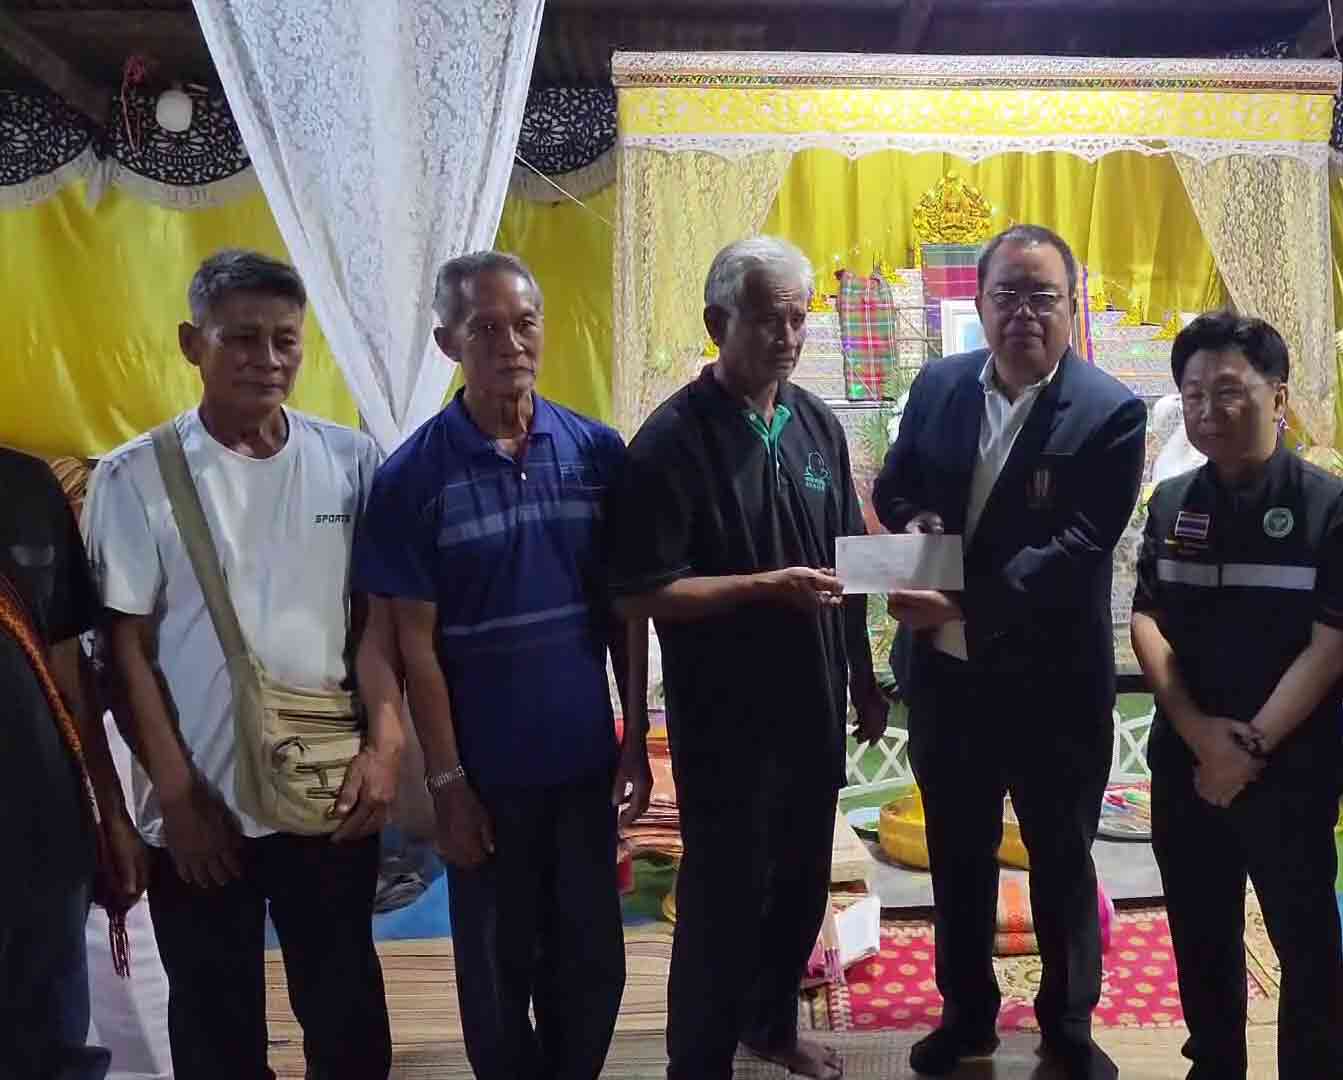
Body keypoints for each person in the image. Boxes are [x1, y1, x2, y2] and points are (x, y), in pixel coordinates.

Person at [85, 249, 395, 1077]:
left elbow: (375, 624)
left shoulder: (349, 462)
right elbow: (123, 653)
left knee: (347, 1014)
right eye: (242, 338)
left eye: (285, 340)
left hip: (327, 792)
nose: (268, 359)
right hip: (202, 813)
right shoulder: (134, 478)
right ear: (193, 344)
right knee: (217, 1031)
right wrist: (177, 797)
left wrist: (384, 744)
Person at [611, 235, 889, 1080]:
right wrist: (764, 587)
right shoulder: (670, 443)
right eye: (769, 319)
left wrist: (863, 675)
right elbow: (643, 593)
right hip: (725, 725)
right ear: (716, 323)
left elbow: (845, 559)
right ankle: (696, 1060)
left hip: (815, 709)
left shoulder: (815, 424)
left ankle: (770, 1026)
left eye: (799, 318)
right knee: (721, 900)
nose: (788, 336)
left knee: (801, 884)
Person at [874, 224, 1147, 1080]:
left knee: (1061, 857)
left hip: (1052, 684)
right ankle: (967, 1018)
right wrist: (913, 521)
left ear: (1072, 306)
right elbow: (894, 483)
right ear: (980, 302)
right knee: (958, 855)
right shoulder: (939, 384)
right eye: (1007, 296)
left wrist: (959, 599)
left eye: (1043, 297)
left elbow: (1079, 544)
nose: (1024, 313)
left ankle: (1067, 1026)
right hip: (947, 676)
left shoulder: (1110, 410)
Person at [354, 251, 631, 1080]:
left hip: (583, 761)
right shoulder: (411, 479)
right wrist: (447, 786)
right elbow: (414, 648)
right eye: (484, 328)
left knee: (592, 957)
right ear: (448, 343)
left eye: (524, 323)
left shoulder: (597, 453)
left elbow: (623, 611)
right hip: (485, 777)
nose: (510, 343)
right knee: (498, 966)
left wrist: (633, 746)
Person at [1131, 312, 1343, 1078]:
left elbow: (1333, 644)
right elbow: (1146, 619)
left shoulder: (1332, 508)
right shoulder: (1171, 504)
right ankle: (1215, 1063)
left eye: (1228, 390)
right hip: (1187, 766)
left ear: (1279, 396)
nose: (1208, 411)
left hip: (1289, 770)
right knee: (1201, 937)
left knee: (1305, 942)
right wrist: (1201, 736)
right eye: (1193, 394)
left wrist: (1249, 746)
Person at [0, 448, 145, 1080]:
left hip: (42, 824)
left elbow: (71, 674)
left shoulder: (28, 486)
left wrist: (111, 816)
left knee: (50, 1043)